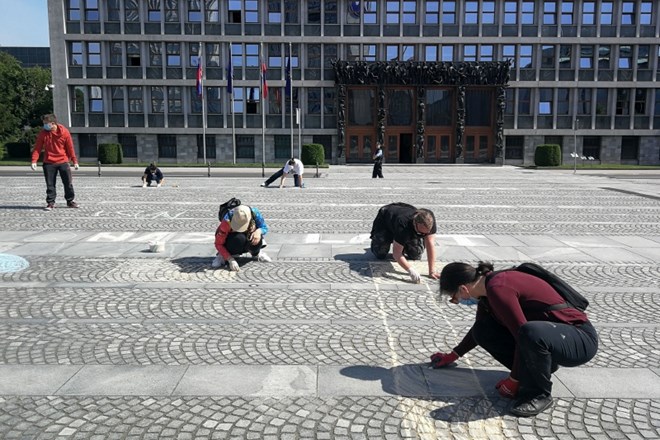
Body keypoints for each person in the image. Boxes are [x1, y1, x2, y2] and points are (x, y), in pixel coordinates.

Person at [432, 261, 598, 417]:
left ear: (463, 289)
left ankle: (539, 394)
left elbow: (521, 335)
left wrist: (513, 379)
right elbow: (478, 330)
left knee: (528, 331)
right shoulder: (487, 291)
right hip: (549, 338)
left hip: (579, 338)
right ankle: (538, 371)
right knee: (483, 330)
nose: (458, 301)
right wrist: (453, 355)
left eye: (454, 298)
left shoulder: (498, 288)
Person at [370, 202, 439, 283]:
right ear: (415, 223)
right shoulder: (403, 224)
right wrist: (410, 270)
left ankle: (402, 242)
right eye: (421, 233)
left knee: (416, 254)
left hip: (405, 217)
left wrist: (432, 271)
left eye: (425, 234)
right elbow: (396, 254)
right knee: (380, 253)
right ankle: (388, 241)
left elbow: (430, 243)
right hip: (386, 220)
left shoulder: (429, 218)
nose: (423, 235)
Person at [30, 114, 80, 211]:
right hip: (49, 162)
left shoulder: (64, 132)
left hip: (63, 161)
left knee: (68, 183)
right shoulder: (43, 133)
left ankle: (70, 201)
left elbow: (70, 148)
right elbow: (37, 148)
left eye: (46, 123)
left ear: (53, 123)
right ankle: (50, 203)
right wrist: (34, 161)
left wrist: (75, 161)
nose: (44, 125)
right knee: (50, 184)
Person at [213, 204, 271, 271]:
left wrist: (259, 231)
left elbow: (264, 227)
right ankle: (223, 255)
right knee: (238, 238)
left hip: (248, 235)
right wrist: (230, 259)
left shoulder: (254, 213)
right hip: (233, 240)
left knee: (257, 239)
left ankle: (256, 253)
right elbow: (218, 243)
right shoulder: (227, 221)